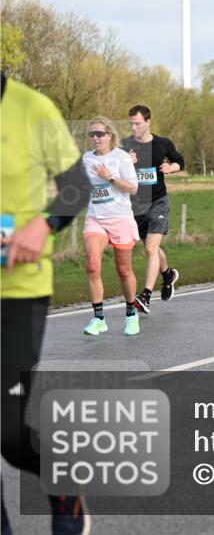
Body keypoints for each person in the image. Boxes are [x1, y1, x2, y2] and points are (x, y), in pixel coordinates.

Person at [1, 73, 93, 533]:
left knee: (8, 434)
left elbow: (78, 186)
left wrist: (43, 224)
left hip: (18, 294)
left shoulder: (32, 108)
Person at [80, 117, 142, 336]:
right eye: (92, 134)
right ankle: (98, 319)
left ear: (110, 135)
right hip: (96, 218)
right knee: (92, 266)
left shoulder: (121, 157)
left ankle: (131, 313)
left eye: (99, 134)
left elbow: (133, 188)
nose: (95, 138)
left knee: (123, 270)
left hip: (120, 219)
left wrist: (110, 177)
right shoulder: (86, 158)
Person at [121, 105, 184, 313]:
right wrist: (125, 162)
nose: (134, 127)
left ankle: (145, 296)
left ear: (148, 122)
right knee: (152, 248)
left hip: (158, 201)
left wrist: (170, 168)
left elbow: (179, 161)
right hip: (136, 205)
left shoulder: (162, 144)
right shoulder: (124, 146)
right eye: (131, 123)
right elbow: (113, 171)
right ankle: (167, 274)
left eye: (137, 123)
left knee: (150, 248)